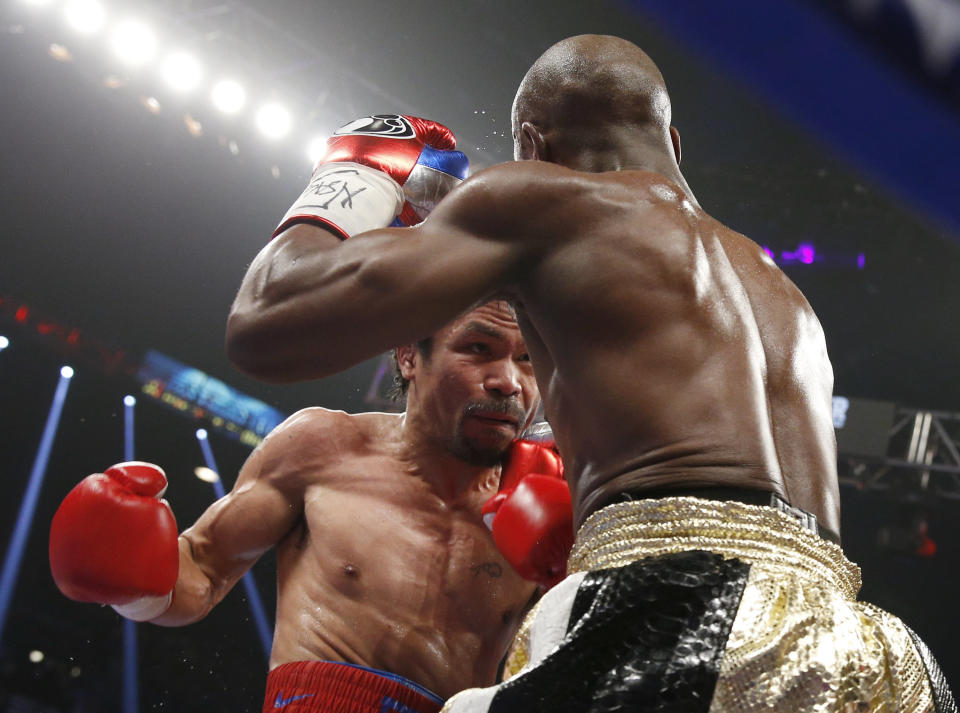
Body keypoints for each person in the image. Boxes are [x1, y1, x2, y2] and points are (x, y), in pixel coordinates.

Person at [223, 35, 956, 713]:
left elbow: (269, 319)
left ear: (533, 147)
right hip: (868, 654)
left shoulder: (548, 202)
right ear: (671, 142)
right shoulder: (780, 294)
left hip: (683, 616)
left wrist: (357, 169)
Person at [48, 115, 575, 713]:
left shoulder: (558, 493)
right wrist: (134, 581)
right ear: (408, 354)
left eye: (530, 360)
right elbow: (202, 569)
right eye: (478, 349)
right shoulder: (324, 447)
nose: (508, 380)